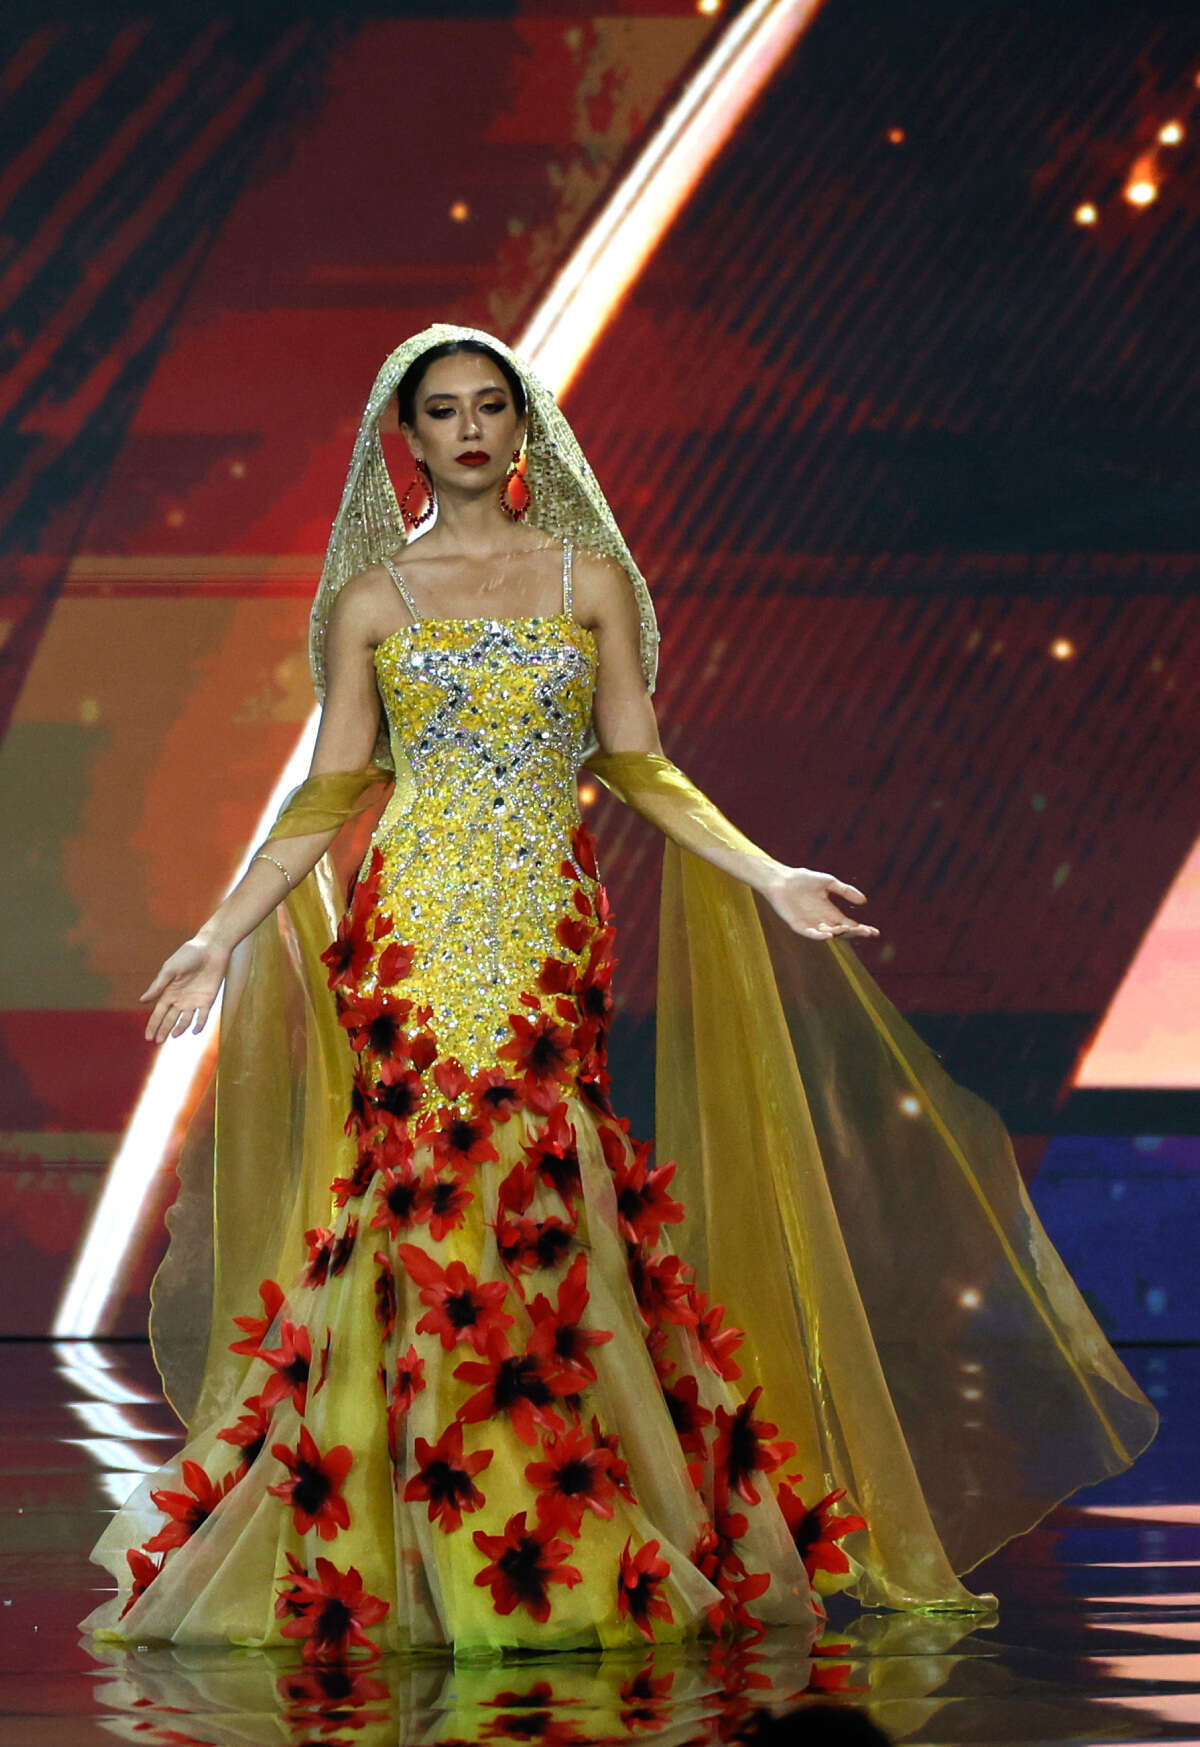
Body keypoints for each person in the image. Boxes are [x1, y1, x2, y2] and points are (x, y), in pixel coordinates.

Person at [80, 324, 1157, 1660]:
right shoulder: (373, 599)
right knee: (422, 1192)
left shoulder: (586, 578)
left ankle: (566, 1511)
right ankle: (421, 1539)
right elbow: (330, 792)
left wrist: (769, 874)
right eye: (442, 411)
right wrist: (217, 933)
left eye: (490, 406)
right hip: (412, 933)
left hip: (547, 929)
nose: (468, 429)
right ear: (406, 439)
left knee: (543, 1186)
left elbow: (640, 765)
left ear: (522, 427)